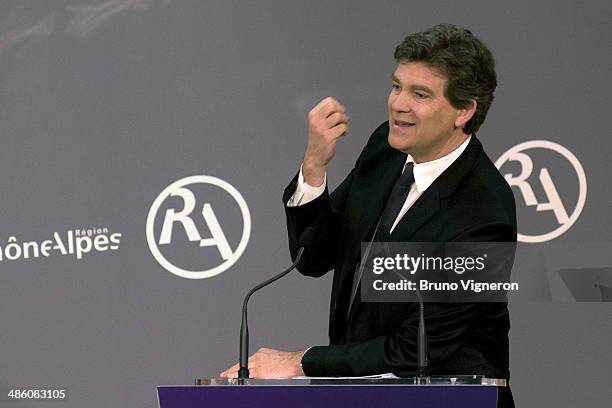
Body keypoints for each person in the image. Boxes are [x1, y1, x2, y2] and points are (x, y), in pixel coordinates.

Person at [221, 23, 516, 407]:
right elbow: (314, 257)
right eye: (397, 86)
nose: (398, 104)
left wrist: (300, 362)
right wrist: (314, 167)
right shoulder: (386, 147)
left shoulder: (484, 211)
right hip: (364, 395)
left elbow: (417, 352)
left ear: (464, 110)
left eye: (420, 94)